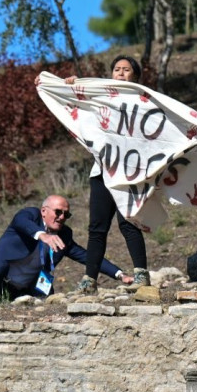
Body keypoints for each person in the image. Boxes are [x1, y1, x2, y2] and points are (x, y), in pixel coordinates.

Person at [65, 55, 152, 294]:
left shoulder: (145, 101)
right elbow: (77, 104)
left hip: (129, 174)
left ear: (135, 75)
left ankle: (141, 275)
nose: (121, 73)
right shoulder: (101, 97)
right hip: (102, 172)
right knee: (97, 228)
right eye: (117, 69)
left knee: (129, 224)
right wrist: (73, 85)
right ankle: (89, 279)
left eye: (126, 70)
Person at [0, 195, 132, 302]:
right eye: (58, 212)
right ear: (44, 211)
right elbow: (21, 222)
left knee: (47, 289)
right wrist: (42, 235)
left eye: (66, 215)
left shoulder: (64, 235)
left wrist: (119, 274)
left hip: (21, 289)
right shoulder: (30, 215)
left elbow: (86, 256)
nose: (61, 217)